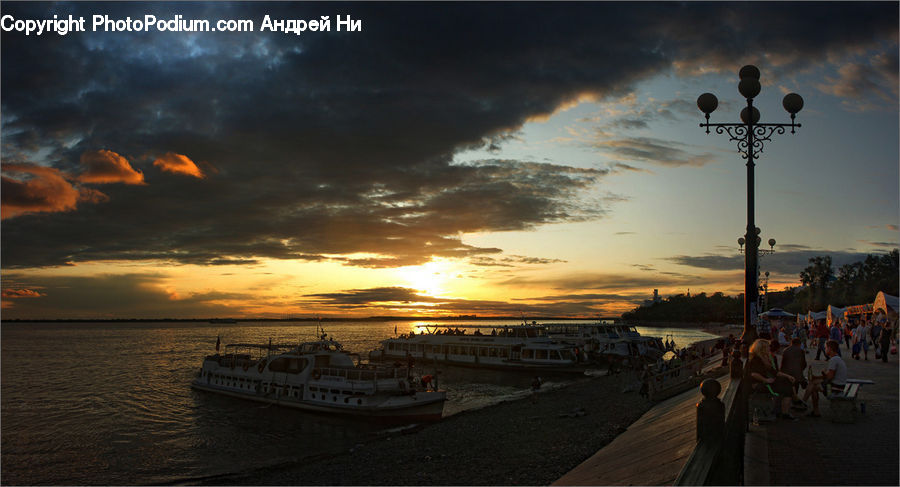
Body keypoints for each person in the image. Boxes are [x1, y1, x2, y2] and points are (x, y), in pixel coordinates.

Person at [745, 339, 798, 420]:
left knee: (787, 383)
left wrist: (787, 376)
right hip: (757, 384)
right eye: (767, 347)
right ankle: (785, 413)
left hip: (763, 382)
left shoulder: (763, 358)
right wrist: (765, 380)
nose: (769, 348)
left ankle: (784, 412)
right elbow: (753, 374)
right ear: (762, 348)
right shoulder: (756, 359)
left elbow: (775, 372)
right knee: (787, 387)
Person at [802, 340, 848, 417]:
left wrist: (823, 374)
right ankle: (813, 410)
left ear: (830, 348)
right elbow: (830, 376)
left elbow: (829, 377)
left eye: (826, 348)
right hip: (839, 386)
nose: (825, 349)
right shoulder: (837, 359)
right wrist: (816, 377)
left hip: (835, 389)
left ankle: (803, 403)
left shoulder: (833, 360)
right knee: (813, 384)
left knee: (812, 385)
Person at [780, 337, 808, 407]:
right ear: (799, 344)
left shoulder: (785, 350)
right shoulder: (801, 351)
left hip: (787, 372)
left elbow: (783, 363)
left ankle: (793, 399)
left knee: (791, 385)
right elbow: (804, 363)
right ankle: (795, 399)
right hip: (797, 374)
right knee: (797, 383)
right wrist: (800, 370)